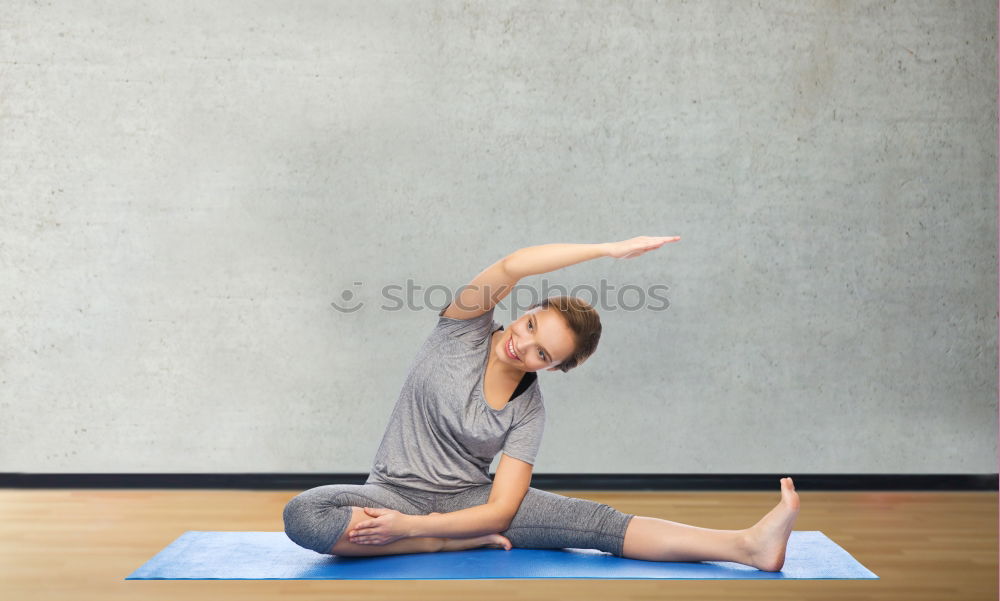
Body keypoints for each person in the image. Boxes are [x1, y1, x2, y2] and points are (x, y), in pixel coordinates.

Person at [283, 236, 800, 571]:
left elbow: (502, 508)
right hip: (393, 493)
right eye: (529, 326)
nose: (522, 344)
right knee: (305, 515)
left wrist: (414, 528)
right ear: (525, 310)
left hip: (472, 506)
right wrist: (605, 250)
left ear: (554, 367)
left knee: (597, 524)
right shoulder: (460, 330)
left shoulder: (529, 411)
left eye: (542, 352)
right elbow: (513, 264)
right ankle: (441, 546)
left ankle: (746, 545)